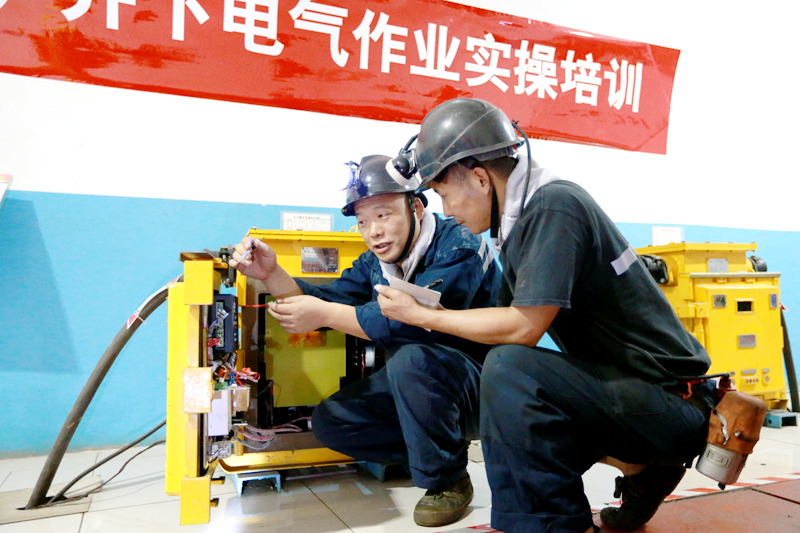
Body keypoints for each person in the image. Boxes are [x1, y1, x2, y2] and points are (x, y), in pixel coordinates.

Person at [375, 98, 716, 533]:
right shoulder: (517, 221)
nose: (447, 210)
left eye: (443, 193)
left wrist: (426, 316)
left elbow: (522, 329)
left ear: (479, 178)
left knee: (512, 371)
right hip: (629, 393)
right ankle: (644, 472)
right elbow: (503, 322)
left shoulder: (553, 206)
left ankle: (555, 524)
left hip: (672, 402)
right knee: (488, 375)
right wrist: (438, 326)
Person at [230, 155, 501, 527]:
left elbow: (413, 324)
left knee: (412, 358)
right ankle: (432, 451)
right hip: (419, 384)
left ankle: (447, 479)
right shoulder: (376, 263)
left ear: (416, 208)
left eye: (383, 215)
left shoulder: (459, 244)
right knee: (332, 422)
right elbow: (328, 299)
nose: (373, 231)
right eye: (362, 221)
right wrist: (271, 273)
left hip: (483, 385)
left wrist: (325, 314)